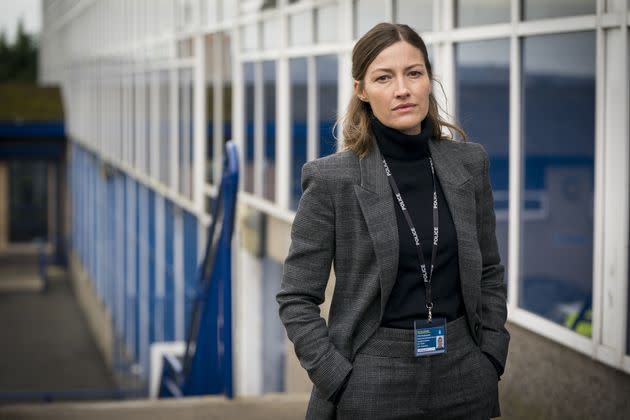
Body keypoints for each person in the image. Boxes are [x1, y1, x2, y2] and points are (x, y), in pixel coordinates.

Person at [277, 22, 509, 420]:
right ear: (361, 91)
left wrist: (490, 356)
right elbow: (296, 298)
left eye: (413, 73)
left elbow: (489, 272)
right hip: (372, 378)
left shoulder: (470, 164)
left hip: (465, 372)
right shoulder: (333, 179)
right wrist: (339, 378)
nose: (402, 89)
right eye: (384, 77)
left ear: (428, 81)